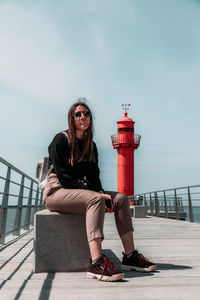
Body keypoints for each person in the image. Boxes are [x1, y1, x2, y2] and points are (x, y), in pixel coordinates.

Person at [44, 99, 156, 282]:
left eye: (87, 114)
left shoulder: (91, 146)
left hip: (79, 191)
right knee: (95, 199)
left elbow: (94, 178)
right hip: (57, 191)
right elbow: (65, 178)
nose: (83, 117)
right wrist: (97, 195)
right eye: (78, 114)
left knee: (121, 198)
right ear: (71, 119)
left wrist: (102, 193)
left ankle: (130, 256)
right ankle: (96, 262)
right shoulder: (61, 140)